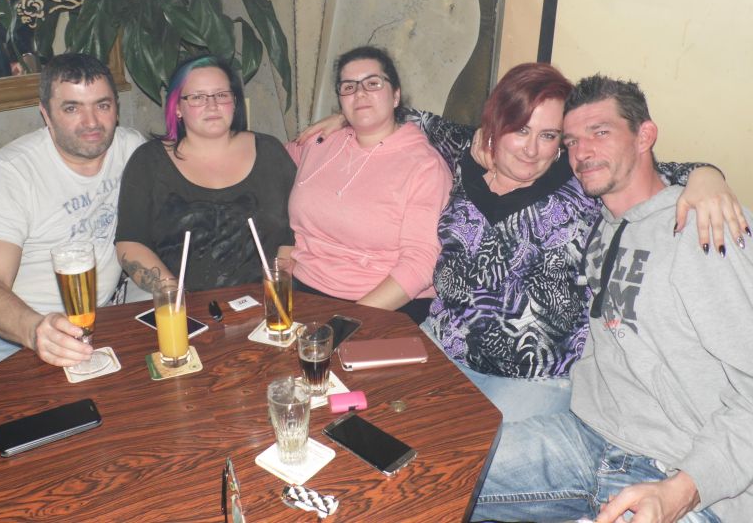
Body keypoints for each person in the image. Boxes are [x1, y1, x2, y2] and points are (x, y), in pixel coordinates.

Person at [302, 62, 747, 421]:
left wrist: (708, 176)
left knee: (459, 463)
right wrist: (344, 116)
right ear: (495, 126)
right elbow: (410, 116)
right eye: (520, 129)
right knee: (346, 413)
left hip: (532, 381)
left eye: (549, 135)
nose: (532, 149)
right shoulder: (465, 155)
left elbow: (652, 168)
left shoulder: (581, 180)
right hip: (441, 347)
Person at [471, 75, 753, 523]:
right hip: (585, 440)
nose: (582, 152)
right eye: (571, 141)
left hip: (682, 475)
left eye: (600, 132)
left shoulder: (704, 229)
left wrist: (684, 488)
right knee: (423, 474)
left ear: (644, 136)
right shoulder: (600, 224)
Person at [0, 53, 144, 385]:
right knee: (5, 417)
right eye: (72, 108)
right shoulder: (12, 172)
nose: (91, 122)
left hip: (95, 321)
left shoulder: (131, 149)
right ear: (46, 114)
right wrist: (34, 329)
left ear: (116, 107)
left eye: (102, 105)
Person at [283, 46, 452, 323]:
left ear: (395, 95)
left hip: (381, 305)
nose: (360, 93)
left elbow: (420, 264)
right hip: (304, 293)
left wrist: (344, 323)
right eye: (349, 87)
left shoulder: (424, 166)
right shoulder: (321, 141)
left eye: (373, 83)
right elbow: (264, 165)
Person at [115, 55, 295, 292]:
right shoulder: (149, 161)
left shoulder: (270, 152)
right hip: (178, 301)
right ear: (177, 108)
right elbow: (130, 243)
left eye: (221, 95)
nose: (212, 105)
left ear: (235, 102)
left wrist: (277, 284)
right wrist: (172, 294)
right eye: (197, 97)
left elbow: (296, 230)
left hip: (266, 299)